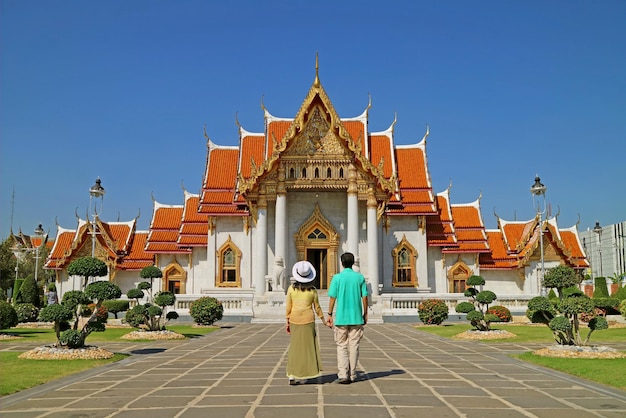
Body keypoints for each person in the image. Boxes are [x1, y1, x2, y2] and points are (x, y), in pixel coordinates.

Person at [326, 252, 369, 384]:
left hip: (341, 318)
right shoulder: (359, 278)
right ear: (353, 263)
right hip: (356, 317)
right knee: (354, 345)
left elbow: (332, 297)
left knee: (341, 346)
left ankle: (343, 374)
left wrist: (329, 314)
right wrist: (365, 312)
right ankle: (352, 374)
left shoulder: (337, 278)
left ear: (342, 263)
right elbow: (365, 297)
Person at [285, 260, 329, 385]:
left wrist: (287, 322)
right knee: (307, 349)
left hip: (294, 320)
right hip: (308, 321)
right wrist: (324, 320)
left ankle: (292, 375)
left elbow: (288, 307)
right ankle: (304, 374)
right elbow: (317, 307)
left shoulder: (291, 290)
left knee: (294, 347)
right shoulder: (312, 291)